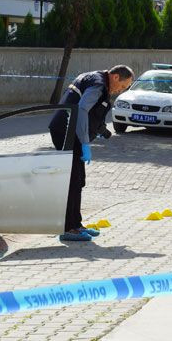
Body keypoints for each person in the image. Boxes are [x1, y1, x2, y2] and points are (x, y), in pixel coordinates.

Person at [49, 65, 134, 241]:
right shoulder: (98, 84)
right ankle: (68, 229)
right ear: (116, 77)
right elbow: (81, 109)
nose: (121, 91)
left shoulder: (96, 80)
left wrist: (102, 131)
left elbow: (92, 114)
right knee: (73, 180)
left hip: (70, 132)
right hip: (67, 132)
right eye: (123, 86)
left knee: (78, 180)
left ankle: (76, 225)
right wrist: (85, 143)